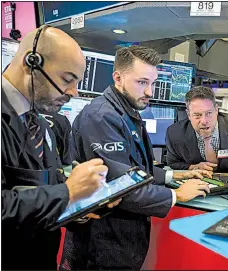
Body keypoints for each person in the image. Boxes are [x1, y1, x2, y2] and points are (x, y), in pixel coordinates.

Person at [61, 45, 211, 270]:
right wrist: (176, 194)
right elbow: (120, 186)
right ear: (118, 78)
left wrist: (174, 174)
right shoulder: (101, 117)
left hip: (118, 243)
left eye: (153, 83)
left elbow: (135, 168)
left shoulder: (125, 111)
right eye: (142, 82)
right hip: (99, 246)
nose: (150, 91)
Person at [1, 26, 117, 270]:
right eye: (67, 79)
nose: (73, 92)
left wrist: (80, 204)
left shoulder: (39, 122)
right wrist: (68, 193)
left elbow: (43, 189)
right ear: (31, 62)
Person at [166, 86, 228, 173]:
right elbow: (173, 162)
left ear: (216, 110)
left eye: (209, 113)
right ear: (188, 115)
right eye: (197, 115)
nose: (204, 121)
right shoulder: (175, 134)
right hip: (196, 185)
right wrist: (193, 167)